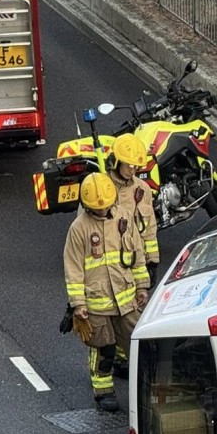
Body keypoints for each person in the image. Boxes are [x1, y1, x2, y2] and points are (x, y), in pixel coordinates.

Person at [63, 171, 149, 413]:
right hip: (97, 302)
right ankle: (103, 391)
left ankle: (145, 386)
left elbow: (137, 254)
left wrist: (142, 285)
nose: (102, 212)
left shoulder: (123, 218)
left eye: (105, 207)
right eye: (96, 209)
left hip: (126, 298)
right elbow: (73, 268)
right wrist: (78, 304)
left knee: (136, 343)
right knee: (104, 349)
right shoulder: (79, 229)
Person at [109, 131, 159, 379]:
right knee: (109, 319)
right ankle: (110, 367)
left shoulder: (142, 189)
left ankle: (123, 358)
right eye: (129, 165)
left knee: (133, 314)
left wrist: (152, 262)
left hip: (134, 263)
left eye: (137, 165)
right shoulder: (102, 189)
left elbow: (149, 229)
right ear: (116, 162)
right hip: (109, 266)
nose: (133, 170)